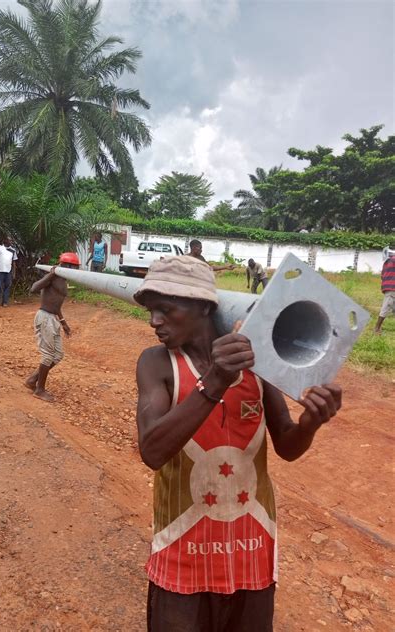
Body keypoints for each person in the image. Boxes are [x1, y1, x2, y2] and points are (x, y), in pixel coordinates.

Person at [134, 256, 342, 632]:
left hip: (251, 547)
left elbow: (288, 446)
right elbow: (152, 451)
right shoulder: (157, 363)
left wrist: (311, 423)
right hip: (183, 546)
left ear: (203, 307)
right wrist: (214, 382)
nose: (154, 322)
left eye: (165, 310)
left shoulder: (258, 363)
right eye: (151, 311)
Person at [25, 252, 80, 402]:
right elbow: (34, 288)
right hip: (44, 317)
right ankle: (39, 390)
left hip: (53, 318)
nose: (75, 270)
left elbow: (56, 304)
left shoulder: (64, 279)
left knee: (58, 355)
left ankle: (33, 379)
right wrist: (52, 274)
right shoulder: (54, 276)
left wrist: (64, 323)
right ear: (66, 266)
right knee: (48, 355)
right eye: (73, 267)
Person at [374, 248, 395, 334]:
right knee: (386, 307)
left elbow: (382, 276)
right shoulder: (393, 260)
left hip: (388, 287)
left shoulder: (385, 263)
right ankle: (377, 328)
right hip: (392, 288)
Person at [0, 236, 18, 306]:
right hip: (0, 270)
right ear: (5, 240)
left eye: (11, 241)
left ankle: (5, 302)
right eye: (9, 240)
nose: (11, 242)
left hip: (8, 271)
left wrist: (14, 272)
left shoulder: (13, 250)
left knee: (7, 286)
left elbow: (14, 262)